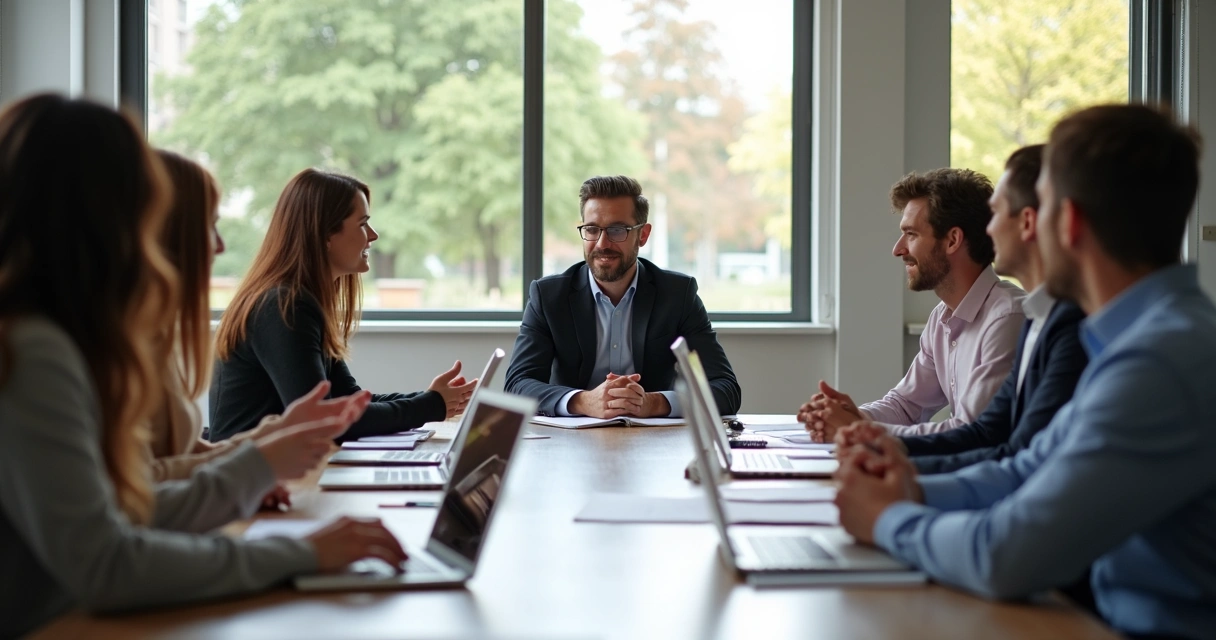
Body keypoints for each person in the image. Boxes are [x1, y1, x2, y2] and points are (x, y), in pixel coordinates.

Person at [0, 94, 406, 638]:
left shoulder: (60, 339)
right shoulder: (33, 351)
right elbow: (108, 563)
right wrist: (301, 550)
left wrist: (260, 455)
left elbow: (128, 507)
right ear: (103, 217)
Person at [833, 104, 1216, 640]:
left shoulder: (1158, 363)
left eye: (1042, 206)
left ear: (1068, 222)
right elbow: (1025, 468)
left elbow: (1006, 555)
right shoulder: (1135, 338)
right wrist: (909, 489)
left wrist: (886, 519)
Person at [149, 151, 372, 516]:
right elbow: (137, 495)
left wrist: (260, 451)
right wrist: (253, 467)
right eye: (208, 225)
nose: (220, 245)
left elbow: (186, 456)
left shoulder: (153, 336)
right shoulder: (286, 305)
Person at [209, 168, 477, 442]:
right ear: (325, 234)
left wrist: (432, 399)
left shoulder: (301, 301)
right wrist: (430, 405)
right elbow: (324, 421)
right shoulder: (284, 307)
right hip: (253, 469)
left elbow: (349, 401)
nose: (373, 235)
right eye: (363, 224)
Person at [894, 145, 1088, 474]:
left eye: (996, 213)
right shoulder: (1038, 318)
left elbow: (1002, 449)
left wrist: (900, 474)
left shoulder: (1020, 317)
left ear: (1028, 222)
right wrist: (867, 436)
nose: (989, 228)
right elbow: (992, 436)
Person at [800, 168, 1025, 441]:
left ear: (952, 240)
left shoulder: (1007, 318)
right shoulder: (941, 317)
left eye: (912, 234)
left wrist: (858, 429)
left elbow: (973, 432)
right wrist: (852, 416)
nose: (898, 249)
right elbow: (906, 406)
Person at [504, 175, 741, 418]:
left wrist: (654, 403)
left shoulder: (677, 295)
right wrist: (583, 401)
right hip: (571, 436)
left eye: (617, 230)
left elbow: (725, 388)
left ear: (643, 235)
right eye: (592, 229)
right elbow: (517, 385)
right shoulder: (549, 297)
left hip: (653, 436)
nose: (602, 244)